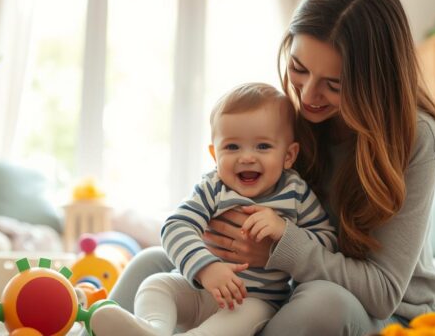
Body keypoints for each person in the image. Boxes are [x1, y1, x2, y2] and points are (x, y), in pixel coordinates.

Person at [92, 0, 435, 336]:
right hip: (283, 287)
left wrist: (273, 252)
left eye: (334, 85)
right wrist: (216, 249)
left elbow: (383, 292)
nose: (309, 96)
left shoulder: (414, 136)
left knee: (322, 302)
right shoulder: (295, 119)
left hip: (378, 311)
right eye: (299, 69)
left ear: (373, 84)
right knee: (154, 263)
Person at [90, 82, 336, 336]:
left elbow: (326, 242)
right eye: (232, 147)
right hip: (197, 289)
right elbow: (175, 227)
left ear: (288, 155)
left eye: (262, 146)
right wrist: (207, 268)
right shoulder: (213, 187)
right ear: (214, 154)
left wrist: (284, 232)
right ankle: (153, 330)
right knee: (155, 285)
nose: (247, 157)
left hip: (250, 302)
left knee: (245, 317)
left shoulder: (296, 193)